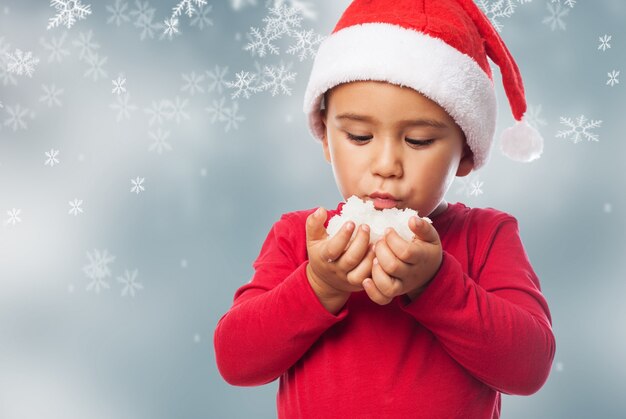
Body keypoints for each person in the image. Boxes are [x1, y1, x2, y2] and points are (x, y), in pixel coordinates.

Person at [214, 0, 555, 417]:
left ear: (466, 153)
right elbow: (235, 361)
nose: (386, 166)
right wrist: (319, 286)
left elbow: (529, 368)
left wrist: (436, 284)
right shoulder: (301, 237)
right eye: (359, 136)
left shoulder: (487, 236)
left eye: (418, 141)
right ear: (325, 137)